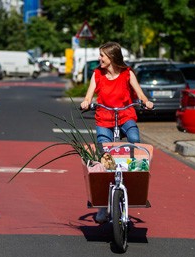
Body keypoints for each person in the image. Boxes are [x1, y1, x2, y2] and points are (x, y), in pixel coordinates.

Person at [80, 42, 154, 223]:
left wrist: (146, 101)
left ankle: (136, 176)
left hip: (125, 116)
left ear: (112, 57)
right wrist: (86, 102)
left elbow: (140, 94)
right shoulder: (97, 74)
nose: (100, 59)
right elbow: (89, 95)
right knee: (104, 159)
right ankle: (103, 207)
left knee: (134, 140)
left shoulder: (127, 74)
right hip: (104, 119)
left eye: (102, 56)